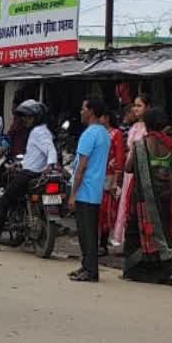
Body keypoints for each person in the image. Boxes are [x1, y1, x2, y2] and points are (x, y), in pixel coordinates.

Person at [0, 100, 56, 251]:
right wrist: (18, 164)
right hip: (32, 171)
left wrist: (50, 164)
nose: (25, 120)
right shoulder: (43, 131)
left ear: (36, 117)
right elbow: (34, 155)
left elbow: (50, 150)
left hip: (29, 174)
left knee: (3, 201)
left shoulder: (37, 132)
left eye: (28, 117)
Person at [121, 106, 172, 285]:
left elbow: (128, 168)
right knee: (163, 233)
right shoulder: (170, 145)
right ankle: (168, 271)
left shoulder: (141, 144)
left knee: (136, 234)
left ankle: (137, 271)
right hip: (164, 197)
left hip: (142, 199)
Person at [68, 98, 112, 282]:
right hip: (95, 188)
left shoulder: (88, 134)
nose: (81, 112)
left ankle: (91, 270)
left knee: (86, 232)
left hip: (85, 189)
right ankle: (86, 266)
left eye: (83, 109)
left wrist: (73, 194)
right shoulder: (104, 133)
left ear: (91, 112)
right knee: (90, 230)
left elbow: (81, 167)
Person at [111, 95, 149, 249]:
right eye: (134, 105)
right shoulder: (134, 127)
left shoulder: (149, 128)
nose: (135, 109)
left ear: (148, 107)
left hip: (140, 171)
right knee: (125, 203)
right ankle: (125, 239)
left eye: (139, 106)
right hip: (129, 171)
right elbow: (129, 150)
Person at [99, 109, 125, 249]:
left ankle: (103, 244)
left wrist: (116, 180)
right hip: (98, 176)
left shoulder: (116, 134)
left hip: (109, 176)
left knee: (106, 211)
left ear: (107, 117)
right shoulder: (98, 133)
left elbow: (119, 158)